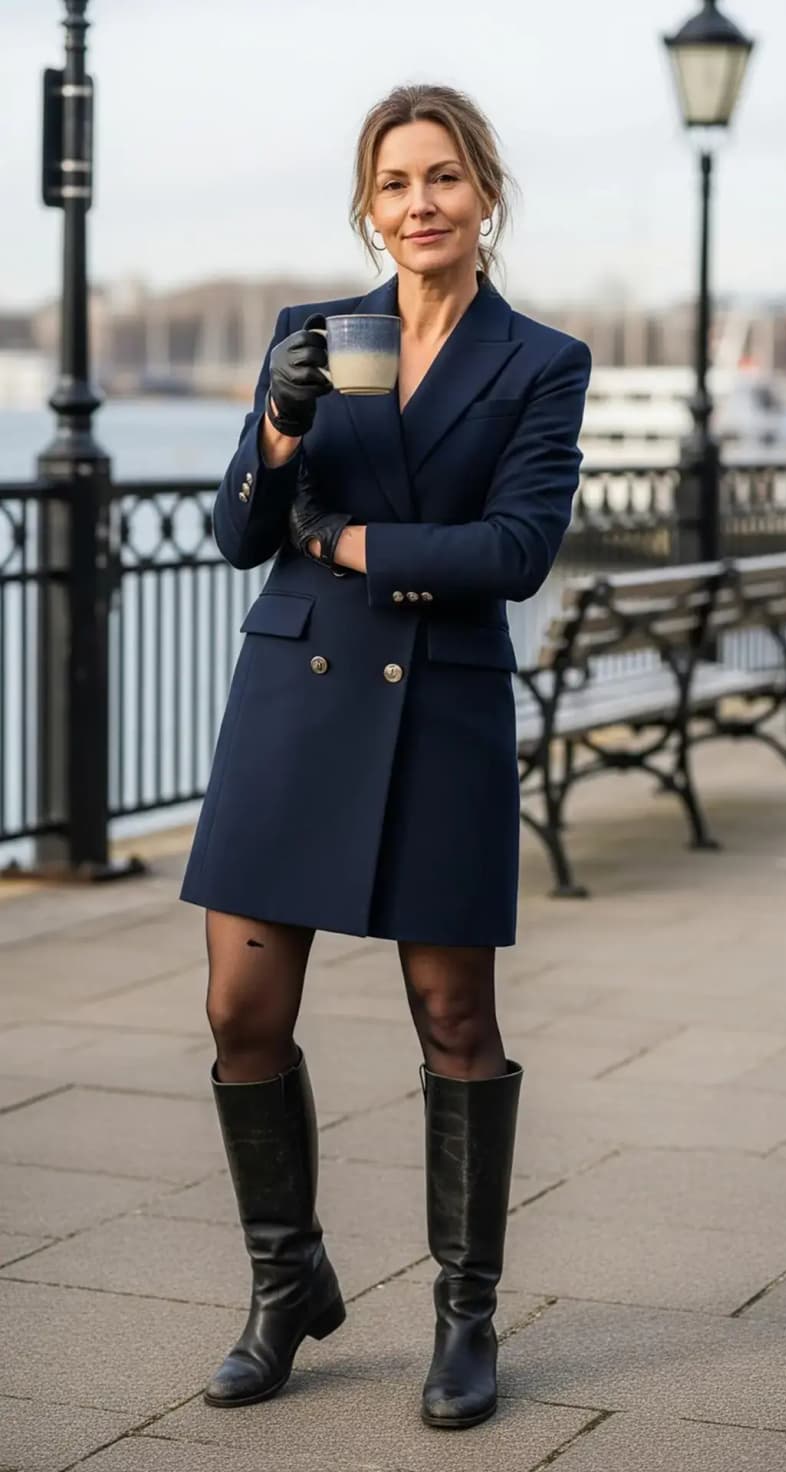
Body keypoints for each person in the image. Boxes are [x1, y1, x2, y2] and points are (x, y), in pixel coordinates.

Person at [179, 81, 591, 1431]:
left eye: (444, 178)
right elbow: (240, 531)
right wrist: (280, 431)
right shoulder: (312, 334)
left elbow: (515, 552)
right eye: (395, 182)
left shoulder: (540, 361)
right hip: (295, 704)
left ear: (486, 197)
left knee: (455, 1020)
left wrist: (352, 542)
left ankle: (466, 1320)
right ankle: (284, 1282)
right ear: (369, 204)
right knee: (242, 1014)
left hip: (442, 710)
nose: (420, 203)